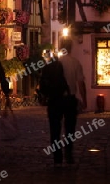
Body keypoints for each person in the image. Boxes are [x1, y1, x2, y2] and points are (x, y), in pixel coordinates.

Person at [41, 38, 87, 166]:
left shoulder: (54, 63)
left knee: (55, 129)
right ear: (71, 47)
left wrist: (45, 97)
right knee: (70, 129)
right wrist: (84, 99)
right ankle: (69, 154)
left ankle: (57, 157)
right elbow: (80, 83)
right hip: (69, 100)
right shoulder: (75, 63)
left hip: (55, 100)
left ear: (61, 47)